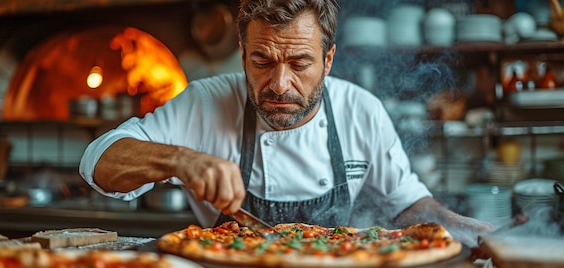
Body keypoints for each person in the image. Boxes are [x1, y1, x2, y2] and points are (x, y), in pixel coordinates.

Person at [79, 0, 493, 246]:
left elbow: (407, 205)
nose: (279, 84)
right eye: (261, 61)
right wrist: (181, 160)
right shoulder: (205, 102)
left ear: (328, 60)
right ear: (242, 54)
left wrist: (460, 227)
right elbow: (99, 162)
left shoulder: (361, 111)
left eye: (299, 63)